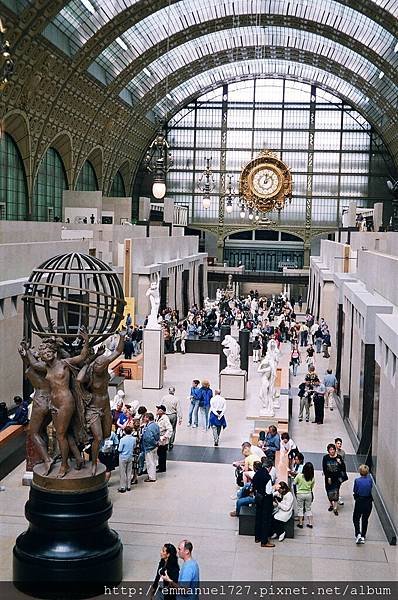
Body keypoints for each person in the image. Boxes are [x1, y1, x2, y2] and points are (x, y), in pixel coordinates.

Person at [252, 461, 275, 548]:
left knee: (258, 517)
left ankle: (257, 537)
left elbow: (254, 484)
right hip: (266, 500)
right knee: (266, 520)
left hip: (258, 498)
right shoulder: (267, 477)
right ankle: (264, 541)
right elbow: (269, 491)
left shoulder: (258, 473)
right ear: (269, 468)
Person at [322, 443, 346, 515]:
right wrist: (328, 477)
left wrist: (340, 462)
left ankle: (335, 508)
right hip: (328, 478)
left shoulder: (339, 457)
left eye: (333, 449)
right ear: (328, 451)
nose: (332, 451)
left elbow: (343, 468)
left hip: (336, 478)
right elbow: (324, 468)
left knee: (336, 491)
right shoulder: (325, 458)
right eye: (330, 450)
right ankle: (331, 504)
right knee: (329, 491)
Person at [353, 464, 373, 544]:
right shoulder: (370, 480)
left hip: (360, 501)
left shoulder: (357, 481)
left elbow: (355, 490)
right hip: (368, 501)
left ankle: (358, 533)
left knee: (356, 518)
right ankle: (363, 536)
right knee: (365, 519)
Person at [294, 462, 315, 528]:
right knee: (308, 509)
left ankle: (300, 523)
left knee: (300, 508)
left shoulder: (299, 475)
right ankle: (310, 523)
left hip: (300, 494)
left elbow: (294, 483)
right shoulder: (312, 478)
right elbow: (312, 487)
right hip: (308, 494)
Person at [141, 412, 160, 482]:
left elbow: (149, 438)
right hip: (155, 446)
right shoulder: (156, 425)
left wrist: (153, 443)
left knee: (150, 462)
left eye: (145, 417)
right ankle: (153, 475)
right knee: (154, 461)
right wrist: (156, 442)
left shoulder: (149, 428)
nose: (144, 418)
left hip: (149, 447)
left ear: (148, 418)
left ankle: (151, 477)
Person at [117, 426, 136, 493]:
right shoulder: (134, 439)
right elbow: (134, 446)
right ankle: (129, 486)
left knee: (122, 473)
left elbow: (119, 449)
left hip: (123, 457)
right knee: (129, 471)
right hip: (130, 456)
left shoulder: (122, 439)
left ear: (124, 431)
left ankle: (122, 487)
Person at [155, 405, 173, 473]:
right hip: (159, 438)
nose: (157, 410)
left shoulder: (165, 418)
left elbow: (170, 429)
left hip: (163, 439)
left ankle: (162, 468)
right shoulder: (158, 417)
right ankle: (160, 465)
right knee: (159, 452)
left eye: (158, 409)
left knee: (162, 453)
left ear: (162, 411)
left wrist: (165, 436)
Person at [335, 437, 346, 505]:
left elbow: (344, 462)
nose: (339, 445)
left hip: (339, 472)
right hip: (333, 471)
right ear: (335, 444)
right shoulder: (333, 451)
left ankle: (337, 497)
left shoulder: (342, 452)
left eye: (340, 444)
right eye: (338, 443)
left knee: (338, 485)